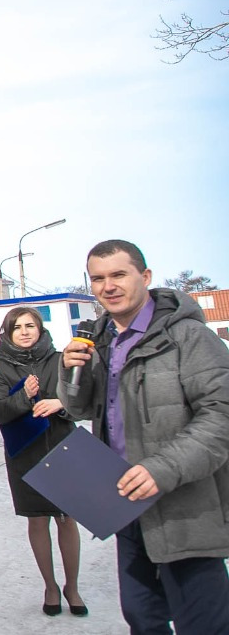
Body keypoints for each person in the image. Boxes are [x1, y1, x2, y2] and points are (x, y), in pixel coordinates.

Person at [62, 239, 229, 635]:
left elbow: (221, 416)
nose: (108, 286)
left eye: (119, 274)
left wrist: (163, 468)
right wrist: (70, 372)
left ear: (146, 277)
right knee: (143, 618)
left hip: (187, 511)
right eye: (98, 278)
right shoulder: (100, 339)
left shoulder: (188, 338)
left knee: (203, 624)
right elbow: (80, 409)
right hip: (126, 506)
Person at [0, 306, 85, 618]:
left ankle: (72, 586)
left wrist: (61, 404)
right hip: (24, 453)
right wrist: (24, 397)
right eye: (17, 327)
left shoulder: (58, 360)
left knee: (67, 518)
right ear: (8, 333)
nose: (25, 331)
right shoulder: (0, 367)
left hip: (62, 447)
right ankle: (50, 586)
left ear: (40, 329)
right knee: (38, 520)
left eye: (30, 325)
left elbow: (81, 402)